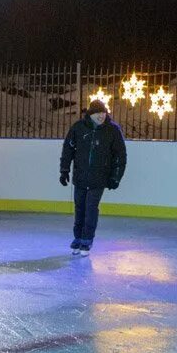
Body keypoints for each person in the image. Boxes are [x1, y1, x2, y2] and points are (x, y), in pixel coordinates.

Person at [59, 97, 126, 255]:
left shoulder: (112, 130)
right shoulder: (78, 128)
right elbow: (68, 150)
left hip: (99, 178)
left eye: (103, 113)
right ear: (90, 114)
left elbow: (120, 156)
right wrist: (64, 170)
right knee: (79, 208)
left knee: (91, 209)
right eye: (98, 114)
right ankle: (78, 238)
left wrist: (116, 177)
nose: (102, 116)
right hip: (80, 177)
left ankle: (87, 240)